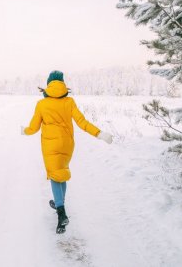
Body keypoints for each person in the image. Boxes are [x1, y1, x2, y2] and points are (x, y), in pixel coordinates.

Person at [21, 70, 113, 234]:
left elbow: (33, 128)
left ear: (48, 84)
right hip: (67, 145)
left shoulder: (42, 104)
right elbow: (82, 122)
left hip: (50, 146)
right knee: (61, 173)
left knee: (55, 176)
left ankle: (61, 214)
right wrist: (100, 134)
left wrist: (24, 131)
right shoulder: (69, 102)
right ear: (63, 84)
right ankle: (58, 203)